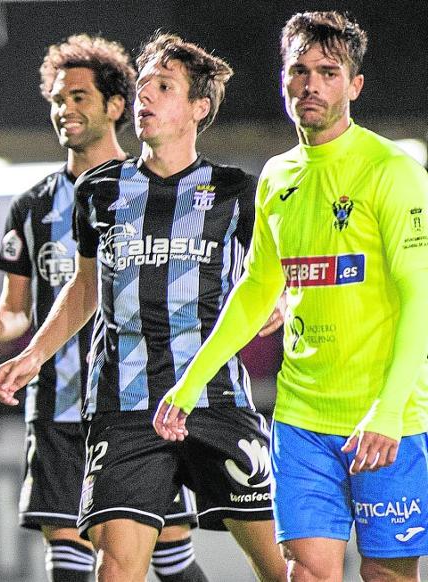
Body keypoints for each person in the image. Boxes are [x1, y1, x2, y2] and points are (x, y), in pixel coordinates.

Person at [0, 33, 287, 582]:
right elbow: (85, 287)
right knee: (117, 568)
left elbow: (276, 272)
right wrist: (34, 354)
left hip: (215, 399)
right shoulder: (99, 190)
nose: (145, 96)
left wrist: (283, 302)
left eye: (164, 86)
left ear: (199, 108)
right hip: (124, 407)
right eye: (143, 85)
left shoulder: (238, 192)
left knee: (281, 565)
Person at [154, 12, 428, 582]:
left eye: (329, 72)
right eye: (299, 71)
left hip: (388, 417)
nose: (311, 85)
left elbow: (419, 296)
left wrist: (389, 408)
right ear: (283, 80)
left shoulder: (393, 171)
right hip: (301, 418)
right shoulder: (277, 177)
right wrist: (191, 381)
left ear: (354, 85)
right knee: (306, 572)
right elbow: (258, 289)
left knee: (387, 574)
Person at [0, 34, 208, 582]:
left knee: (169, 557)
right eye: (57, 99)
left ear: (116, 106)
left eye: (78, 97)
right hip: (57, 407)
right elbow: (17, 310)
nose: (64, 109)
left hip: (139, 400)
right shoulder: (32, 206)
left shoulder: (154, 190)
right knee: (70, 558)